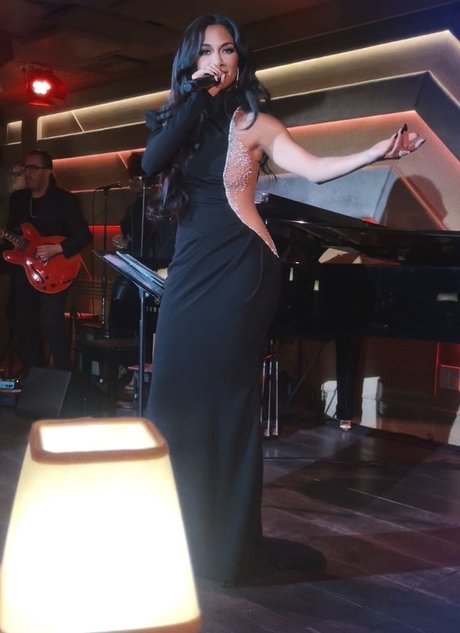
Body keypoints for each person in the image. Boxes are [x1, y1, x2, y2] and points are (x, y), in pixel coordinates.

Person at [141, 13, 425, 586]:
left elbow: (313, 169)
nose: (217, 61)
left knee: (226, 404)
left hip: (240, 269)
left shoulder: (254, 123)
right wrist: (192, 100)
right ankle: (177, 537)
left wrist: (375, 151)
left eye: (227, 51)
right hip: (192, 273)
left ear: (239, 60)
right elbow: (149, 164)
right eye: (205, 52)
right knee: (171, 400)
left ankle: (225, 550)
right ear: (190, 62)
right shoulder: (177, 119)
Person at [3, 149, 91, 376]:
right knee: (25, 325)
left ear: (48, 171)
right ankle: (33, 377)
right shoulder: (18, 200)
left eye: (33, 168)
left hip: (56, 272)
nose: (28, 173)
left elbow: (83, 236)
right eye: (25, 168)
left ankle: (62, 380)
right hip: (26, 272)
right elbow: (12, 234)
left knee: (53, 326)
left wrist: (56, 249)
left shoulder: (64, 200)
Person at [108, 151, 176, 340]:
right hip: (137, 265)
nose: (131, 182)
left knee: (126, 312)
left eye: (135, 178)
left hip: (148, 268)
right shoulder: (140, 205)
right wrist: (126, 240)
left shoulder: (157, 205)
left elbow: (160, 239)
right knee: (123, 312)